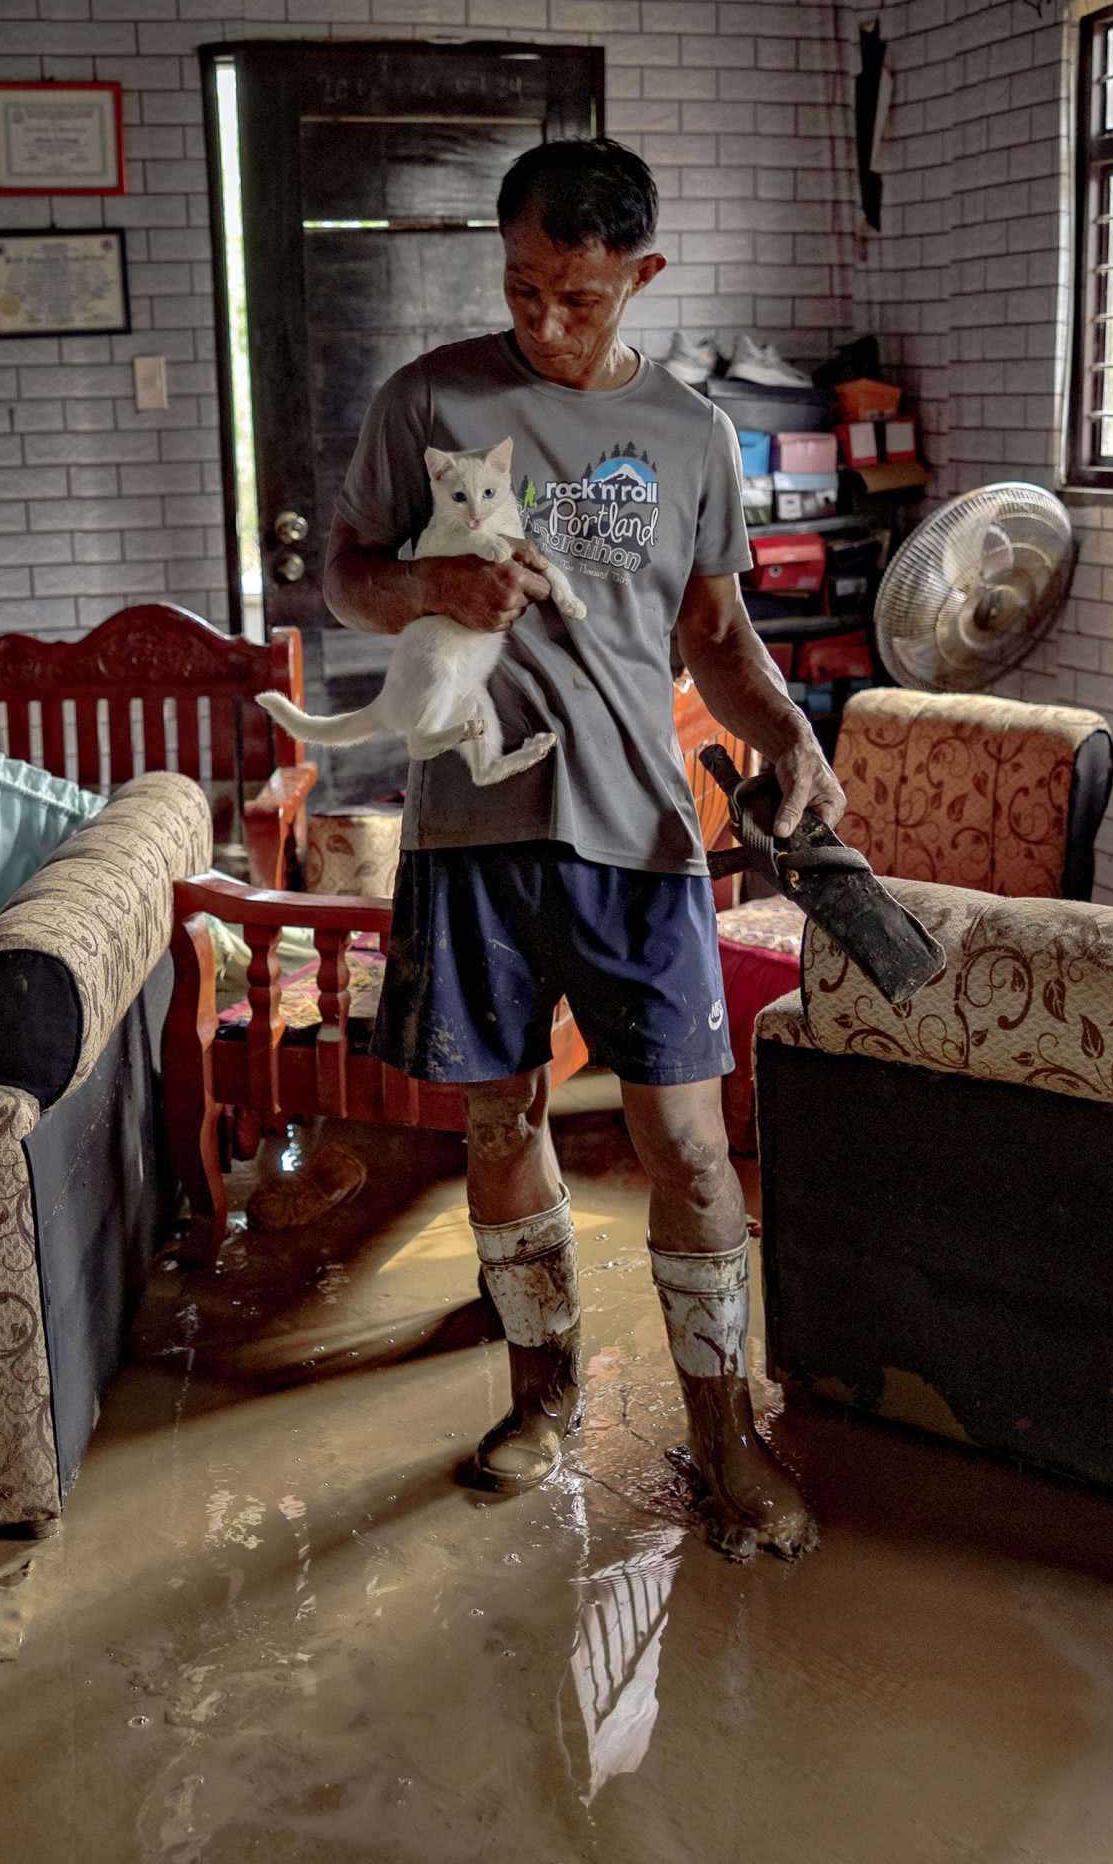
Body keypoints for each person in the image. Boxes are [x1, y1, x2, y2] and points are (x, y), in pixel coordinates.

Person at [323, 138, 840, 1563]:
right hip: (474, 834)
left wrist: (796, 741)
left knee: (686, 1141)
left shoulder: (688, 436)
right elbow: (345, 575)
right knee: (501, 1124)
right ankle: (539, 1393)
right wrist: (426, 581)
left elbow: (722, 641)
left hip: (640, 839)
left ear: (644, 278)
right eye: (525, 288)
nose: (549, 322)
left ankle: (727, 1433)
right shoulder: (428, 395)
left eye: (583, 298)